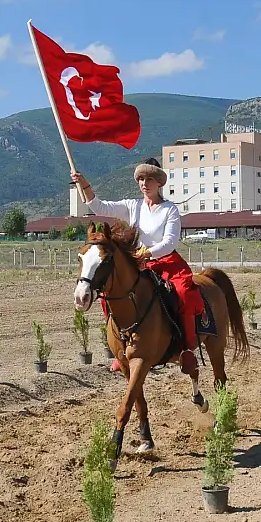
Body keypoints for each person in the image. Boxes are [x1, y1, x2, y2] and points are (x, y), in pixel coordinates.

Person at [71, 158, 205, 375]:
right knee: (108, 293)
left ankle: (186, 350)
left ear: (159, 183)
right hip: (138, 264)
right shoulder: (133, 206)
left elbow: (169, 242)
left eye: (149, 179)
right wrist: (84, 184)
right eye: (141, 179)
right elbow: (99, 206)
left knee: (184, 293)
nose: (144, 183)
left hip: (166, 262)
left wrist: (148, 252)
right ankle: (120, 349)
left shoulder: (169, 210)